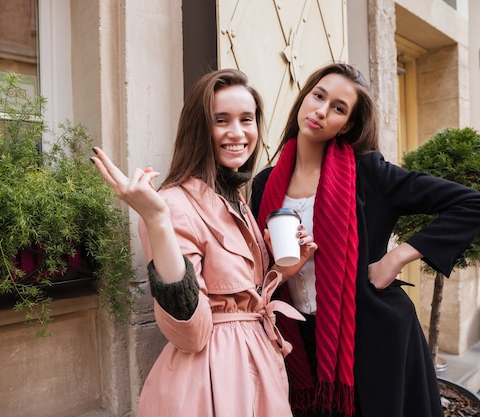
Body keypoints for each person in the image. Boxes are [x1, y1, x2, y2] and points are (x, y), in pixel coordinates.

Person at [250, 62, 480, 417]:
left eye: (338, 108)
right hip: (297, 340)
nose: (321, 110)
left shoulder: (369, 174)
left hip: (371, 338)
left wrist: (395, 258)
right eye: (318, 96)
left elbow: (475, 205)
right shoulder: (265, 183)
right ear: (305, 97)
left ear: (347, 124)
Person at [91, 69, 318, 417]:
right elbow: (191, 335)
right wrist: (156, 220)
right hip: (216, 383)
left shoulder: (236, 200)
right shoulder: (174, 205)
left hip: (257, 366)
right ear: (200, 129)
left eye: (247, 119)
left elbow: (238, 295)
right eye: (221, 120)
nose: (237, 132)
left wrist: (284, 269)